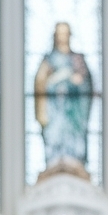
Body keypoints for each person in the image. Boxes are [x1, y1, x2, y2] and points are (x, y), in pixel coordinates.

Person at [34, 24, 93, 180]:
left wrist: (78, 81)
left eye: (65, 33)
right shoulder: (49, 60)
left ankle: (74, 162)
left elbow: (87, 85)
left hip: (73, 110)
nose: (62, 37)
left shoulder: (78, 59)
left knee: (71, 135)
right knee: (55, 134)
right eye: (60, 34)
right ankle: (53, 163)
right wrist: (55, 80)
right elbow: (40, 83)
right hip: (55, 108)